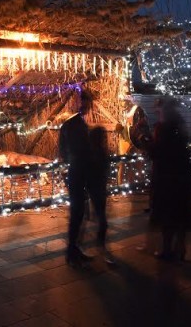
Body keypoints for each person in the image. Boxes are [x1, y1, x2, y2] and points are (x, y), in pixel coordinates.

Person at [149, 98, 191, 261]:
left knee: (168, 216)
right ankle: (180, 249)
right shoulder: (179, 125)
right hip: (182, 176)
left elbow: (157, 152)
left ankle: (167, 249)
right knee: (181, 215)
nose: (157, 112)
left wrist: (144, 140)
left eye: (159, 110)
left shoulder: (163, 129)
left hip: (167, 179)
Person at [59, 89, 95, 268]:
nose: (88, 107)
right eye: (87, 102)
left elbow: (63, 151)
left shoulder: (73, 124)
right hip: (78, 173)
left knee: (80, 213)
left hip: (76, 173)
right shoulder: (75, 125)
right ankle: (72, 251)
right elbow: (79, 152)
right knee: (78, 213)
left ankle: (75, 248)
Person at [87, 126, 115, 264]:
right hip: (96, 188)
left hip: (98, 188)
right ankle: (100, 245)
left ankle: (100, 243)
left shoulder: (98, 152)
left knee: (99, 217)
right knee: (101, 219)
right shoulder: (96, 152)